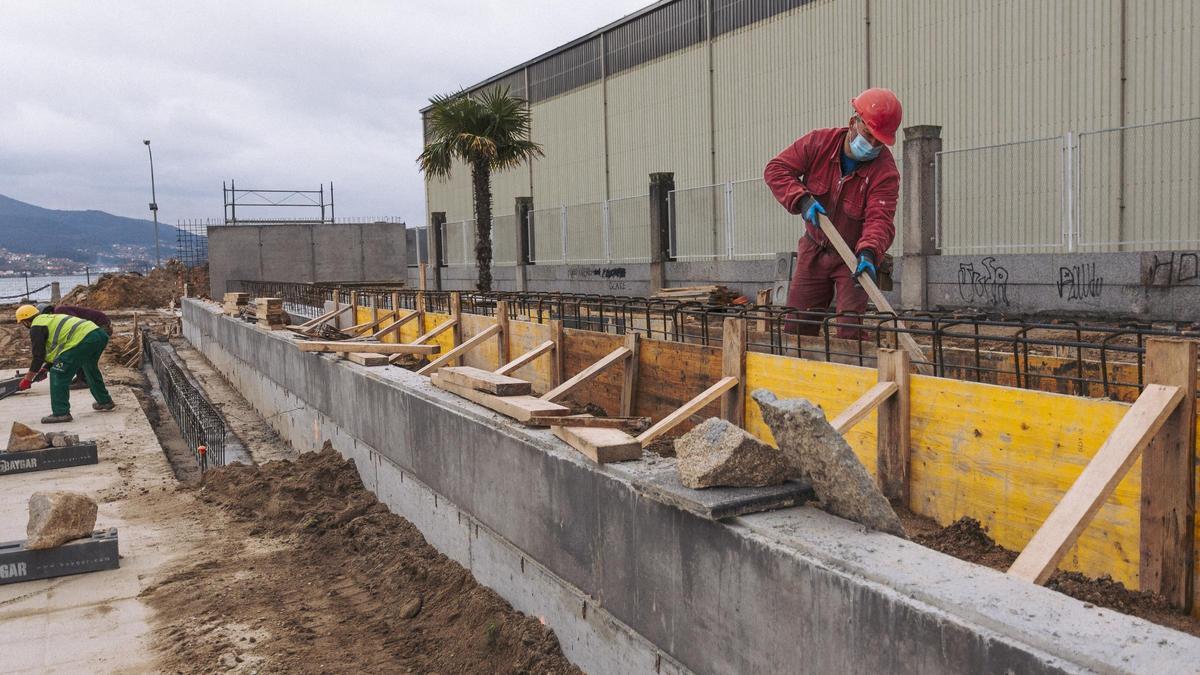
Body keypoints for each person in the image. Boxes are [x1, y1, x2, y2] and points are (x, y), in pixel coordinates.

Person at [763, 87, 903, 339]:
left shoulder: (885, 172)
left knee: (851, 331)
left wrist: (869, 253)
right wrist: (802, 200)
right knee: (797, 327)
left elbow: (879, 220)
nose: (871, 145)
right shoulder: (819, 143)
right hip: (815, 249)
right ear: (853, 123)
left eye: (878, 142)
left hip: (853, 257)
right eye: (868, 135)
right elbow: (776, 169)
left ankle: (851, 374)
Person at [15, 304, 115, 423]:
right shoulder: (50, 319)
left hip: (84, 339)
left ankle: (60, 413)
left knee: (58, 373)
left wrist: (28, 379)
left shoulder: (36, 327)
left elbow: (38, 356)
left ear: (26, 322)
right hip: (99, 334)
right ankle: (105, 401)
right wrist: (45, 368)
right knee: (89, 367)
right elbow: (58, 351)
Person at [38, 304, 113, 389]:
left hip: (100, 327)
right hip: (96, 327)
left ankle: (84, 379)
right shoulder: (58, 313)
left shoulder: (60, 311)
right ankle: (83, 377)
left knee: (77, 350)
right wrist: (47, 367)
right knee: (78, 351)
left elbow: (76, 326)